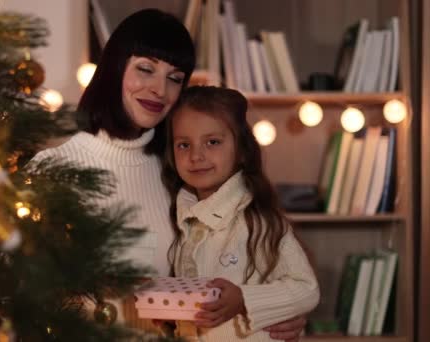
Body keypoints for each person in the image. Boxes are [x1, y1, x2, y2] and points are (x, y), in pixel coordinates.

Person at [31, 8, 308, 340]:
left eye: (174, 78)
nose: (159, 90)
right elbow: (20, 298)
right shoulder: (53, 170)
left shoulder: (183, 168)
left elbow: (240, 262)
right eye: (145, 69)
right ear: (114, 68)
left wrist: (269, 311)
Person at [161, 86, 320, 341]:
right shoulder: (183, 219)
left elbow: (306, 289)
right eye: (183, 145)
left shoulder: (259, 221)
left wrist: (243, 300)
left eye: (212, 142)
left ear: (242, 150)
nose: (196, 155)